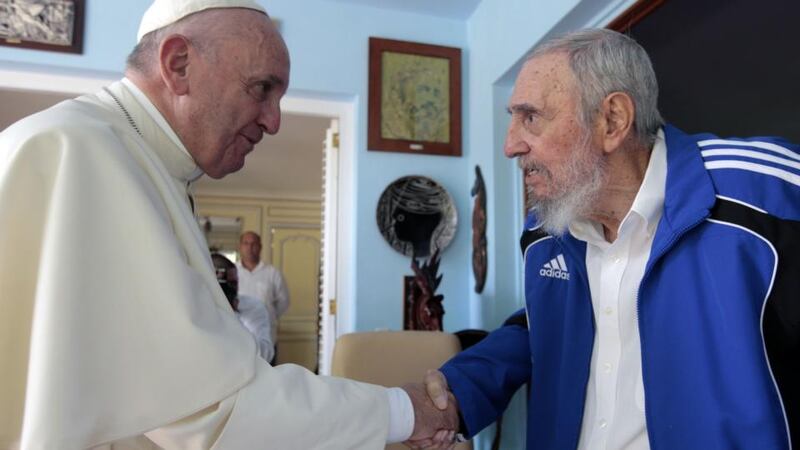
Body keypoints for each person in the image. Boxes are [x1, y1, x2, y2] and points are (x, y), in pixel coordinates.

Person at [0, 0, 457, 448]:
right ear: (178, 64)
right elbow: (211, 410)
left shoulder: (135, 159)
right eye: (261, 89)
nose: (275, 121)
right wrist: (404, 411)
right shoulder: (78, 153)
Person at [411, 28, 800, 449]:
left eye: (531, 117)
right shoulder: (546, 228)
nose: (510, 145)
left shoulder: (769, 197)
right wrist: (459, 393)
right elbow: (547, 324)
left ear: (612, 120)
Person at [236, 231, 289, 364]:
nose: (250, 247)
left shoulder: (272, 273)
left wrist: (267, 315)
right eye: (246, 243)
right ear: (240, 246)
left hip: (267, 338)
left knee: (268, 380)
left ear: (260, 247)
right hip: (237, 340)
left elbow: (284, 302)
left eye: (254, 244)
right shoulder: (233, 271)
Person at [212, 252, 275, 363]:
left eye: (233, 283)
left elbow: (265, 354)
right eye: (223, 284)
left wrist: (232, 315)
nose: (230, 290)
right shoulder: (194, 311)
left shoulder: (254, 307)